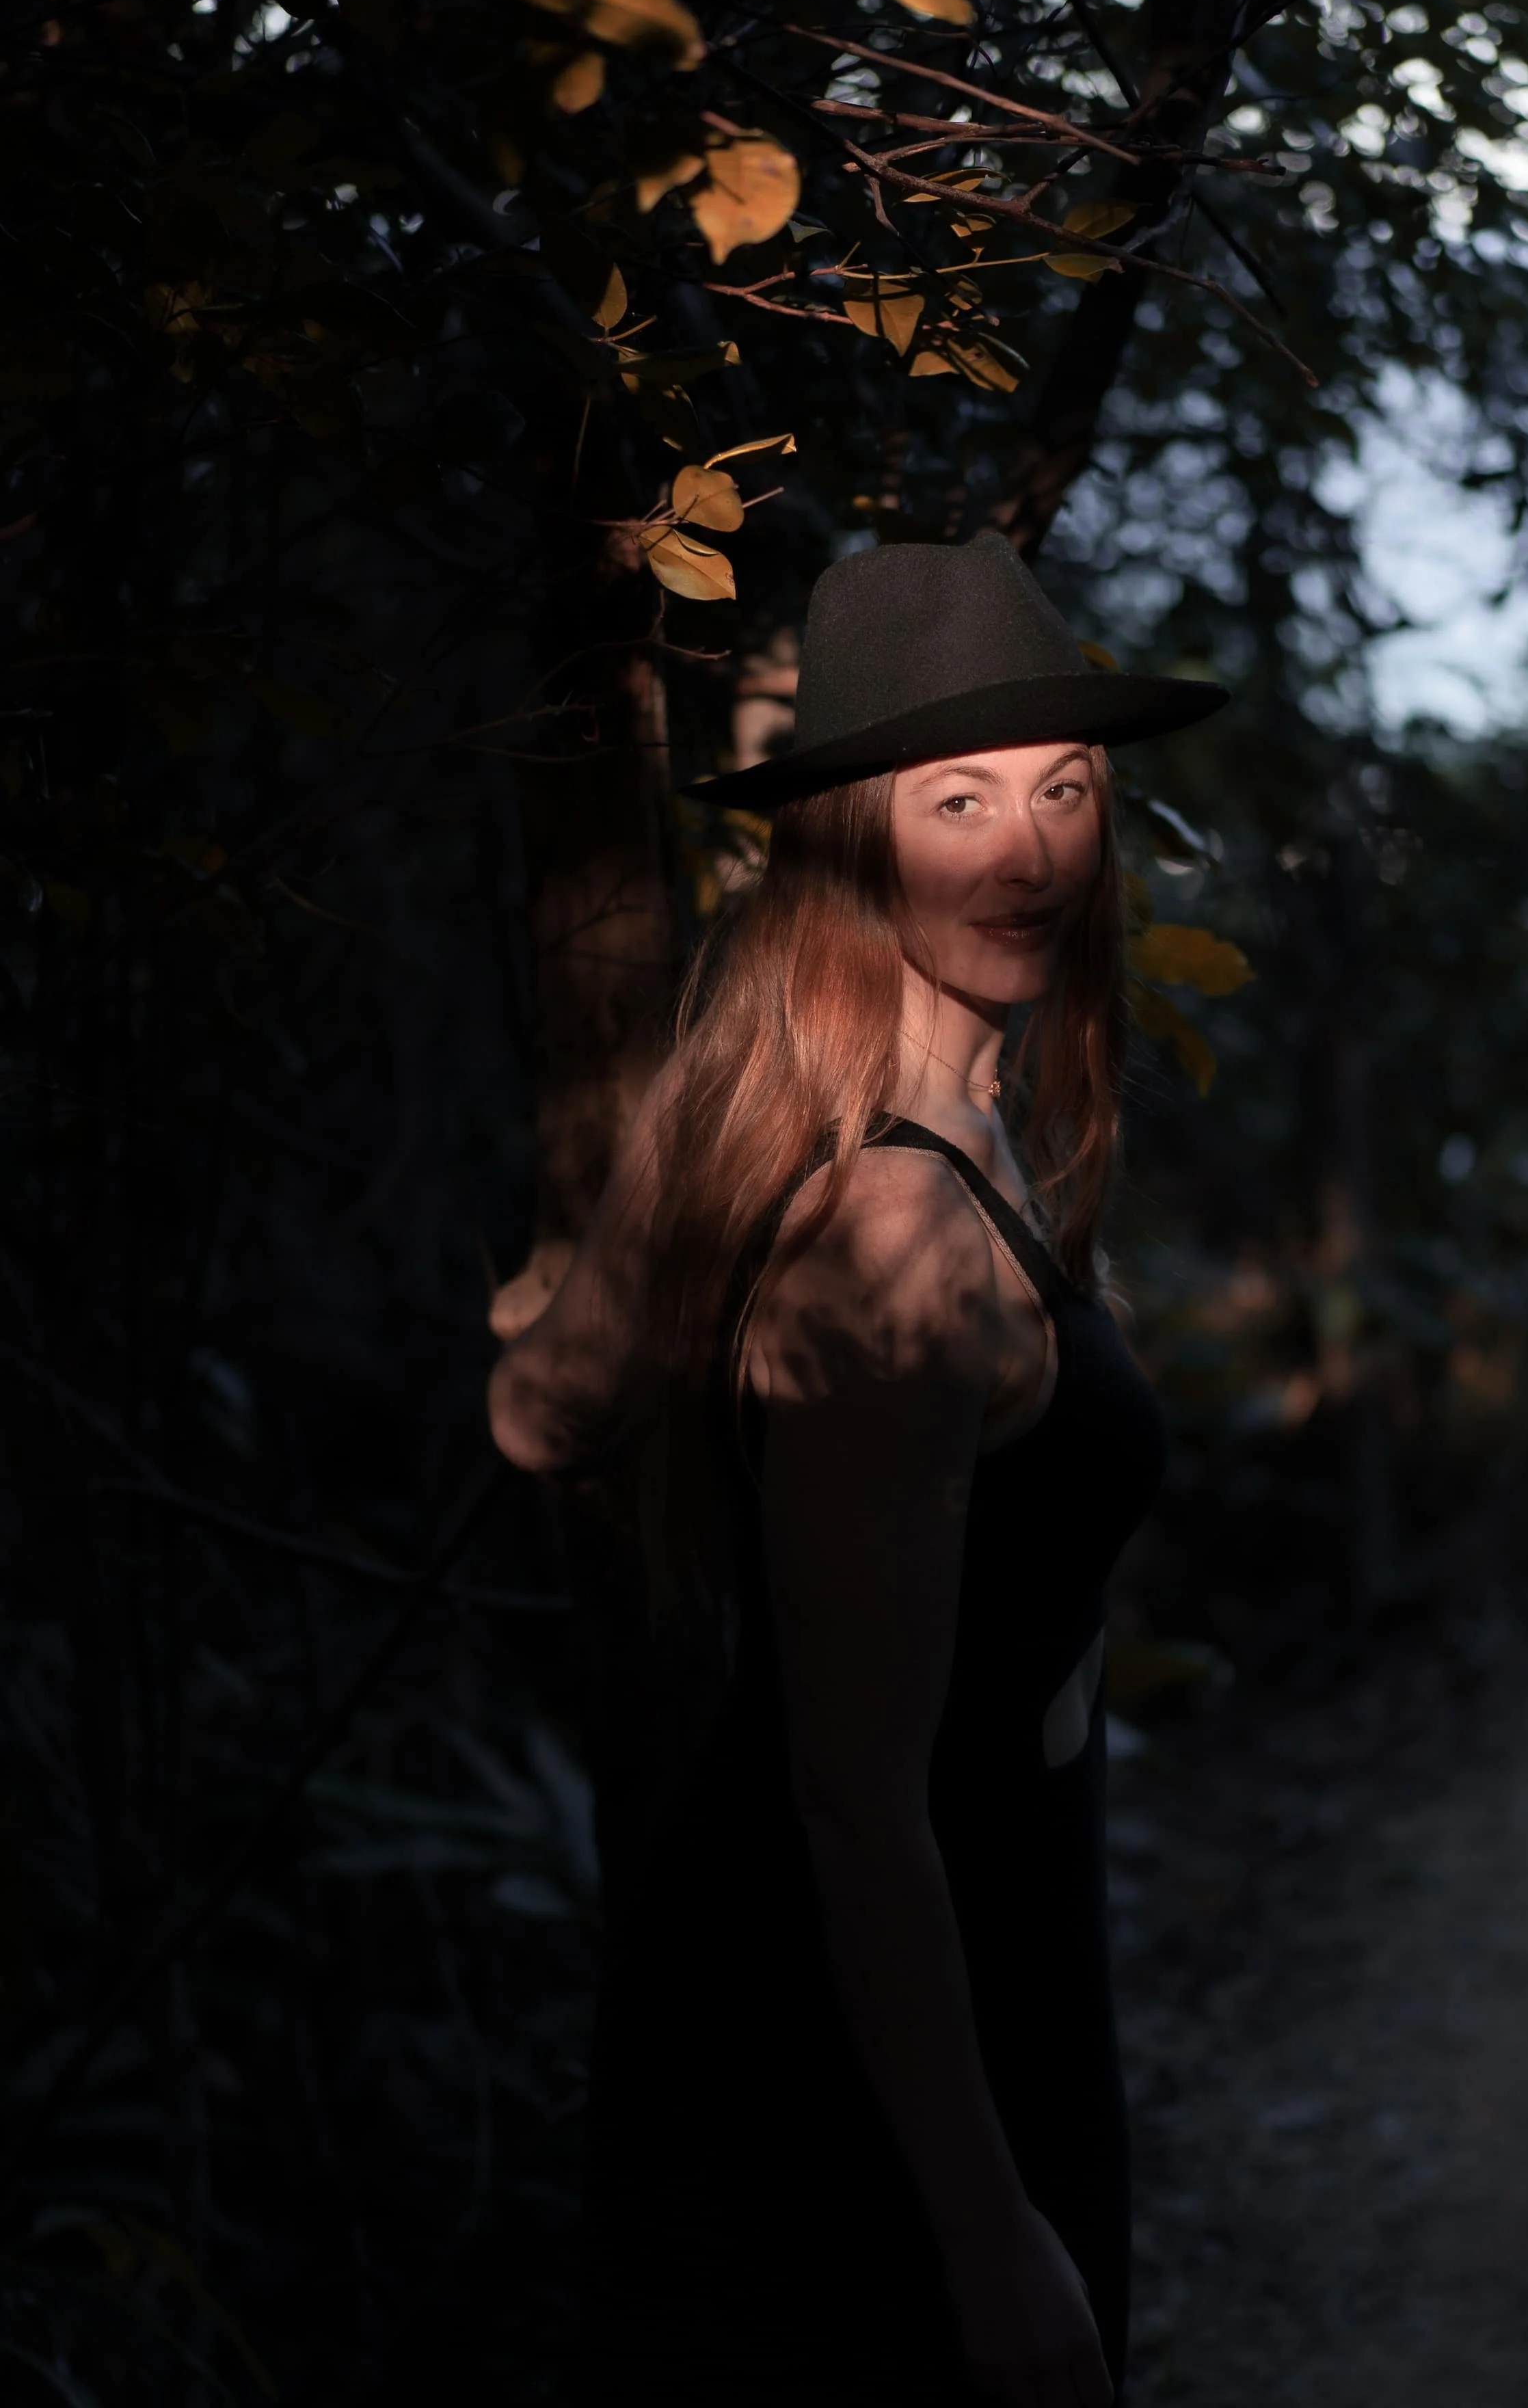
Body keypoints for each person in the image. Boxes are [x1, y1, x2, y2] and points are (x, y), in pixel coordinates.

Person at [488, 531, 1229, 2407]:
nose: (1029, 847)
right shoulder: (893, 1224)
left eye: (1065, 791)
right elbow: (853, 1807)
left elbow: (536, 1407)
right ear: (850, 844)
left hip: (989, 1944)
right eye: (957, 797)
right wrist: (984, 2232)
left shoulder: (967, 1127)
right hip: (874, 2025)